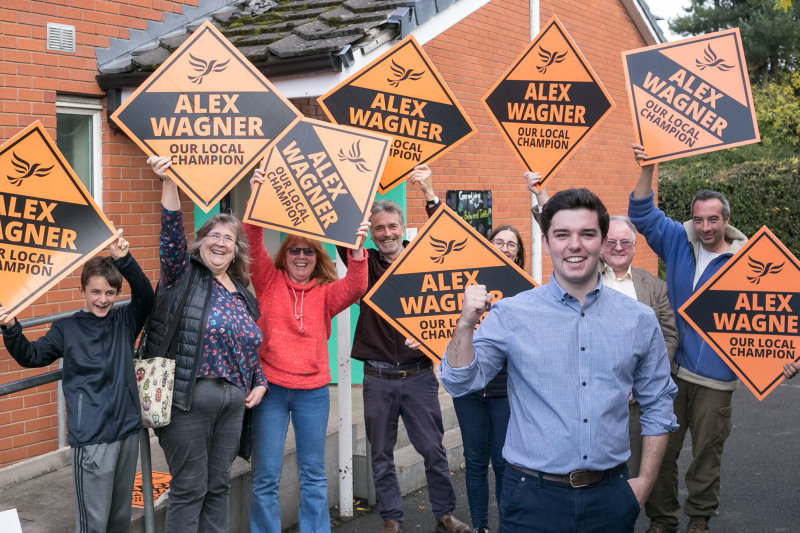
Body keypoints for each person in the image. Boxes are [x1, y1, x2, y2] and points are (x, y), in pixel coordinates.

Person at [441, 187, 678, 533]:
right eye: (562, 234)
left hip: (610, 497)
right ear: (547, 241)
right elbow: (461, 381)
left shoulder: (639, 319)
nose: (575, 245)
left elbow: (658, 403)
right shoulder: (511, 313)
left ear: (601, 241)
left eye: (587, 234)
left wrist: (643, 483)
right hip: (531, 499)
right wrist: (464, 325)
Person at [338, 164, 471, 533]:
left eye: (392, 227)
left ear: (402, 229)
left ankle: (444, 514)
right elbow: (342, 236)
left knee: (433, 450)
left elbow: (449, 235)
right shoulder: (362, 267)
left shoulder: (423, 259)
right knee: (380, 454)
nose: (386, 234)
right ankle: (392, 519)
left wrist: (429, 193)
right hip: (378, 377)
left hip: (418, 376)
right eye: (379, 228)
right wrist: (356, 195)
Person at [525, 172, 679, 478]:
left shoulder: (654, 287)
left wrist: (642, 380)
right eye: (612, 241)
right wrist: (542, 195)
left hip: (637, 396)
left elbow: (668, 337)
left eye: (626, 242)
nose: (618, 247)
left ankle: (660, 522)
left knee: (652, 468)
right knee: (601, 471)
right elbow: (562, 231)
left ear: (636, 246)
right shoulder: (586, 275)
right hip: (591, 397)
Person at [0, 229, 154, 533]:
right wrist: (11, 328)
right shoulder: (65, 329)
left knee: (119, 521)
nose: (103, 299)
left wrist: (123, 259)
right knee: (93, 525)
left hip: (127, 432)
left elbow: (146, 295)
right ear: (82, 290)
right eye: (96, 292)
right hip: (92, 439)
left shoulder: (124, 321)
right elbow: (30, 356)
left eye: (110, 293)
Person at [146, 155, 267, 533]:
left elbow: (246, 346)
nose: (220, 242)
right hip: (189, 399)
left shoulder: (243, 294)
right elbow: (169, 237)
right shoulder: (182, 275)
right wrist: (170, 183)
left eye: (228, 238)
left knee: (218, 487)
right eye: (213, 235)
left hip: (234, 402)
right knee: (189, 489)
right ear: (200, 243)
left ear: (236, 250)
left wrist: (259, 380)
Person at [628, 143, 745, 533]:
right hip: (670, 371)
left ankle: (699, 518)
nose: (706, 227)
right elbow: (641, 213)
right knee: (658, 449)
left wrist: (785, 362)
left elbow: (775, 323)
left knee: (706, 454)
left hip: (716, 378)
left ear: (726, 219)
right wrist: (649, 167)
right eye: (699, 220)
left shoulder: (749, 264)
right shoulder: (678, 240)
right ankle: (662, 520)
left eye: (713, 220)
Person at [246, 169, 369, 533]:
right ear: (286, 255)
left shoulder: (326, 293)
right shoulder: (268, 280)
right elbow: (252, 244)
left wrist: (358, 252)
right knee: (265, 475)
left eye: (309, 252)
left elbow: (356, 286)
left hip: (313, 393)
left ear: (318, 257)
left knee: (313, 475)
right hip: (269, 389)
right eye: (295, 250)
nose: (301, 257)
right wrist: (255, 196)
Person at [410, 169, 513, 533]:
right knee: (473, 460)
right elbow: (446, 231)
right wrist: (428, 190)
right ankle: (482, 527)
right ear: (487, 246)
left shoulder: (527, 293)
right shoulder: (470, 278)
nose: (504, 248)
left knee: (503, 463)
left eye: (511, 244)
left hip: (503, 391)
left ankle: (507, 526)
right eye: (498, 242)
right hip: (469, 387)